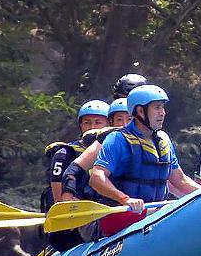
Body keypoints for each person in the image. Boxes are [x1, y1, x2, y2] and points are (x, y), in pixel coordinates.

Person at [90, 84, 201, 236]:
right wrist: (125, 199)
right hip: (122, 215)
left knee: (184, 210)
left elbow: (179, 180)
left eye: (162, 108)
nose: (162, 113)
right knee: (171, 213)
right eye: (156, 108)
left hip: (154, 212)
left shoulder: (164, 140)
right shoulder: (118, 139)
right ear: (140, 111)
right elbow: (96, 178)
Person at [60, 74, 147, 202]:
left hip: (149, 208)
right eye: (120, 118)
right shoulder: (110, 138)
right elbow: (73, 171)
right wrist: (67, 197)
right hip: (117, 207)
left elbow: (174, 179)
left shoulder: (159, 139)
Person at [41, 99, 109, 251]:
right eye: (87, 122)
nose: (92, 127)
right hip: (72, 226)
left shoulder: (113, 151)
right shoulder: (64, 154)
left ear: (107, 125)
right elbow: (59, 199)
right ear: (80, 125)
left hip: (103, 217)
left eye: (98, 122)